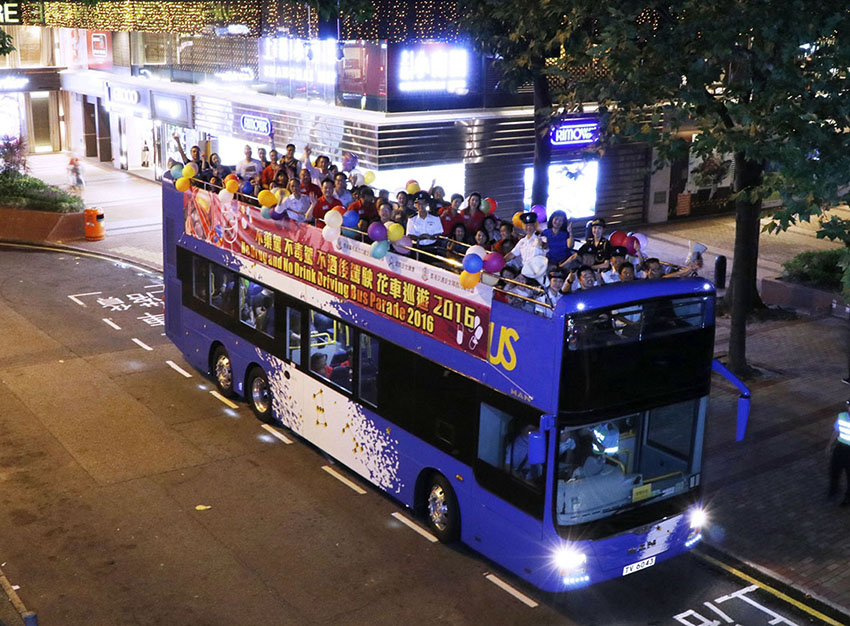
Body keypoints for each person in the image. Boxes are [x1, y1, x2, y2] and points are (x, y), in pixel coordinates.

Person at [406, 191, 443, 259]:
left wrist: (431, 237)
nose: (421, 206)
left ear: (427, 204)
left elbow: (439, 233)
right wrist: (422, 237)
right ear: (416, 205)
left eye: (423, 203)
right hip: (417, 248)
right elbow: (409, 235)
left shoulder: (435, 218)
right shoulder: (412, 219)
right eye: (419, 203)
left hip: (432, 248)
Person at [828, 401, 850, 507]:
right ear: (847, 406)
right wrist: (830, 445)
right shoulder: (842, 416)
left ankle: (848, 498)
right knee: (834, 469)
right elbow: (836, 431)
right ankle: (833, 488)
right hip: (840, 447)